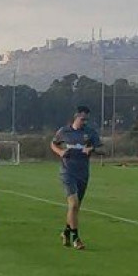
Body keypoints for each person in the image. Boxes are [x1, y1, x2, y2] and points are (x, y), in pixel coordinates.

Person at [49, 105, 102, 250]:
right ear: (76, 116)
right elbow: (53, 144)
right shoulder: (64, 131)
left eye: (87, 119)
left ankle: (66, 232)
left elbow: (101, 148)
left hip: (83, 173)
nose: (85, 122)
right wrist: (60, 152)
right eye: (82, 119)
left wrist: (91, 149)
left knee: (76, 207)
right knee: (73, 204)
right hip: (67, 172)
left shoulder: (90, 133)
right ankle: (76, 238)